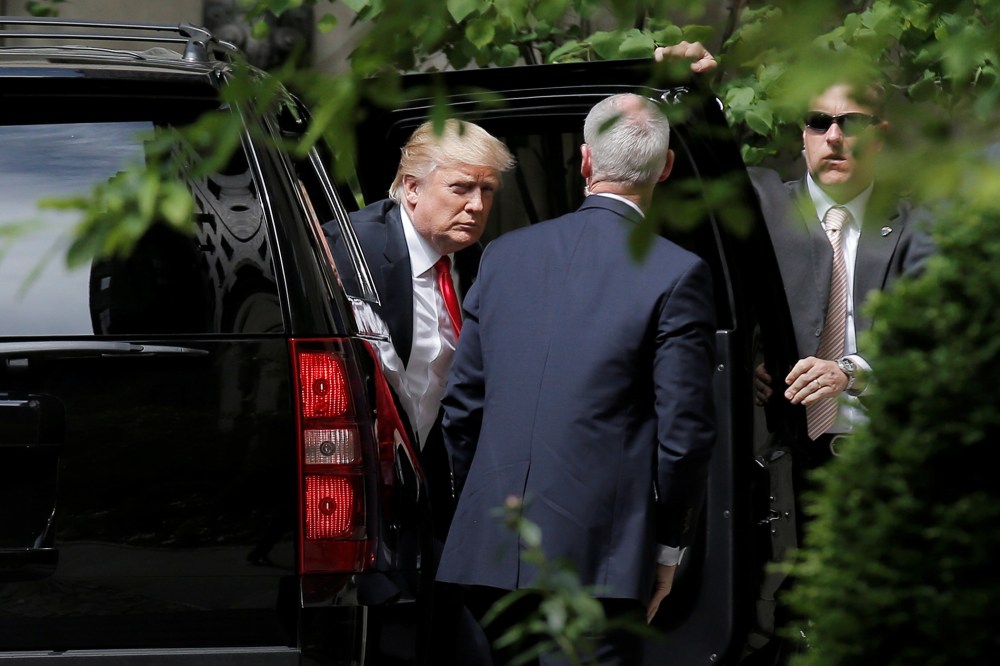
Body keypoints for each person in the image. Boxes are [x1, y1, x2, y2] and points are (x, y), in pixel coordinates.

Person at [436, 93, 718, 665]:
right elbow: (683, 437)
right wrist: (667, 548)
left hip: (489, 550)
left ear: (586, 162)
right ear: (665, 168)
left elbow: (462, 407)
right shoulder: (676, 272)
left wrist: (485, 512)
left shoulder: (504, 255)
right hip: (601, 561)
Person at [323, 119, 515, 664]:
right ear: (411, 188)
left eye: (487, 191)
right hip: (357, 471)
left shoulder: (481, 262)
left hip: (435, 470)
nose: (476, 205)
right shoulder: (353, 250)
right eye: (460, 187)